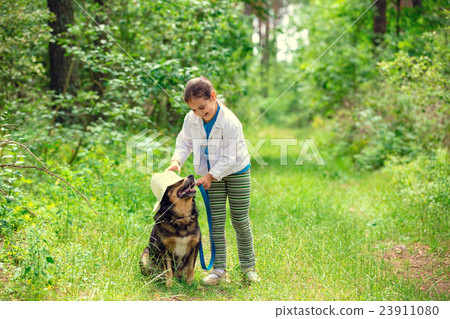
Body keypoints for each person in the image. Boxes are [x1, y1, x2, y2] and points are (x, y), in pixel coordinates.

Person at [165, 76, 260, 285]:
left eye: (202, 107)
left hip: (237, 171)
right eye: (194, 110)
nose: (199, 113)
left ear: (213, 96)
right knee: (215, 222)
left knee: (239, 220)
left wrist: (210, 176)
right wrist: (176, 161)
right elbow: (184, 142)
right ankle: (219, 270)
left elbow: (231, 156)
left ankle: (248, 267)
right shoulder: (191, 120)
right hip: (210, 175)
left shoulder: (230, 122)